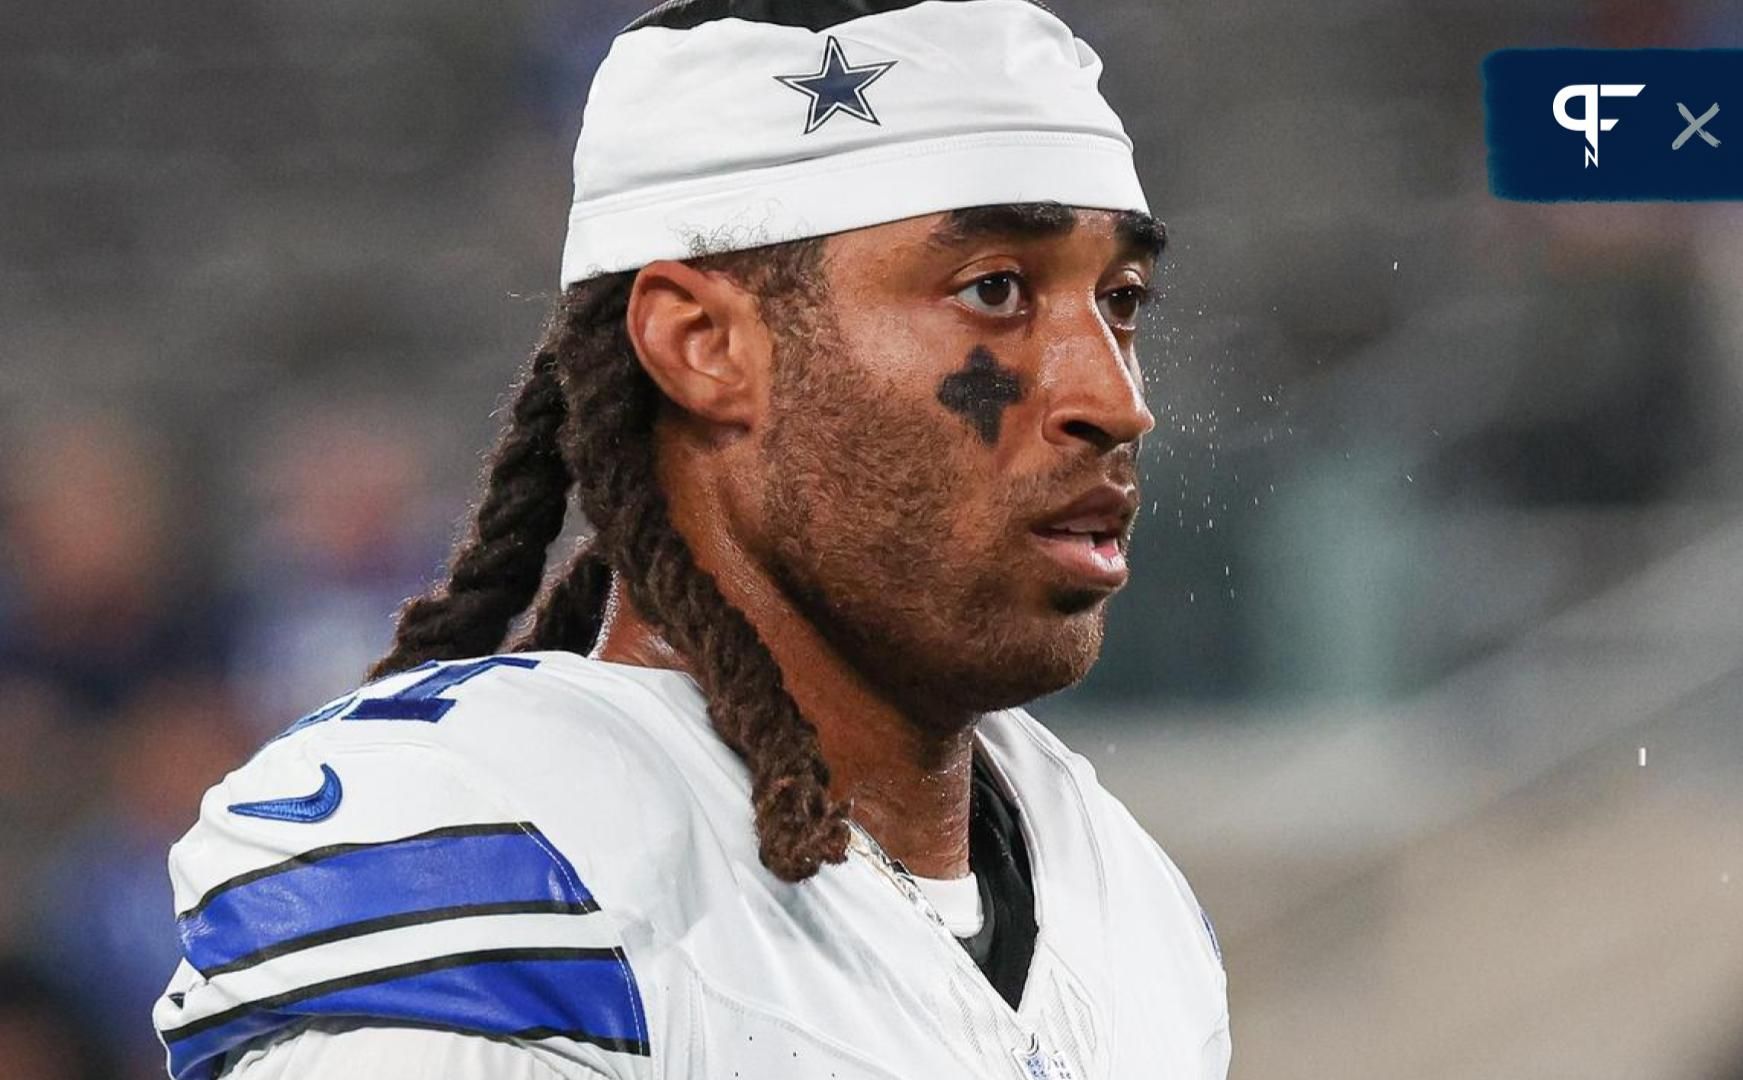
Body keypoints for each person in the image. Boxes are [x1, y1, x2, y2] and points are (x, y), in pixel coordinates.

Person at [152, 1, 1231, 1077]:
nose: (1116, 398)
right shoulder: (512, 861)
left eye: (1120, 299)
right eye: (994, 290)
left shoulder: (1119, 893)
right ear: (704, 345)